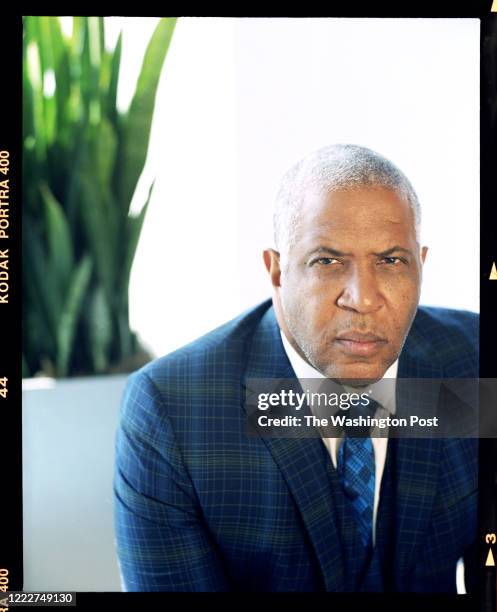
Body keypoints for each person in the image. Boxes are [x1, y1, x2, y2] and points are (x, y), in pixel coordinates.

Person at [113, 144, 478, 592]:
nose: (362, 298)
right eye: (327, 261)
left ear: (420, 266)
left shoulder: (476, 361)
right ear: (277, 271)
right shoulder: (171, 410)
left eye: (390, 261)